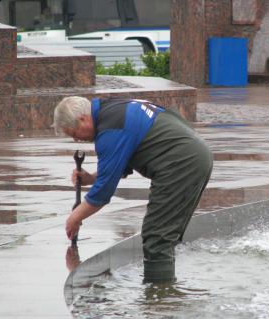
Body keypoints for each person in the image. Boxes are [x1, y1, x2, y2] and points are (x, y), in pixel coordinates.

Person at [52, 96, 213, 283]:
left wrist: (75, 218)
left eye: (74, 133)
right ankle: (164, 288)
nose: (76, 139)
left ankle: (160, 301)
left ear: (82, 119)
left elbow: (103, 192)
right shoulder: (113, 111)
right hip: (193, 155)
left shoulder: (110, 128)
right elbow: (122, 159)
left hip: (181, 163)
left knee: (157, 238)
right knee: (163, 234)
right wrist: (92, 178)